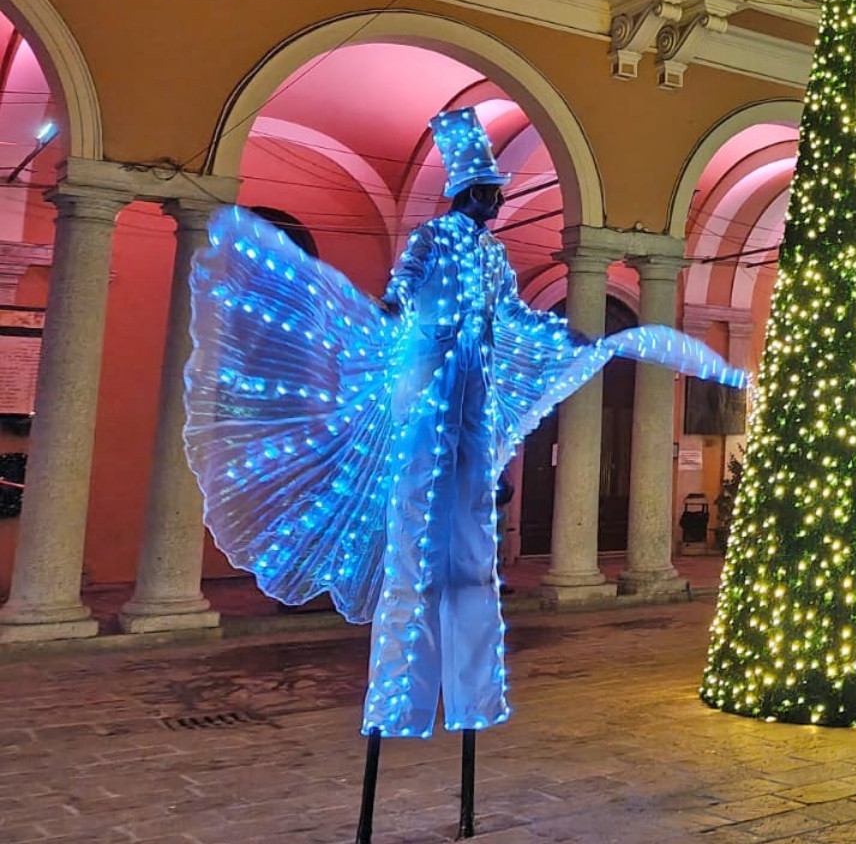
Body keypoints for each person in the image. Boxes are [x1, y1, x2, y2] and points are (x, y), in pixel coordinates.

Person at [185, 108, 746, 739]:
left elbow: (511, 313)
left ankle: (476, 691)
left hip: (473, 385)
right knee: (420, 523)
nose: (499, 202)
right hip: (427, 378)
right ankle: (404, 695)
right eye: (490, 191)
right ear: (468, 192)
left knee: (470, 525)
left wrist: (569, 334)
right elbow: (399, 292)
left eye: (499, 192)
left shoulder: (493, 255)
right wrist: (387, 325)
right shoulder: (431, 240)